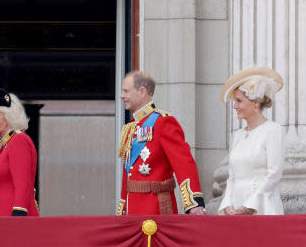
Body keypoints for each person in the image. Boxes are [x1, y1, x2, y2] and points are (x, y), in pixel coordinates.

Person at [116, 71, 206, 215]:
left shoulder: (163, 122)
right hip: (132, 210)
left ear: (142, 91)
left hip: (156, 207)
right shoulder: (131, 127)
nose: (122, 96)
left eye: (126, 91)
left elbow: (184, 163)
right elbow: (129, 175)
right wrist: (123, 209)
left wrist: (193, 203)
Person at [218, 67, 284, 215]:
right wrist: (227, 203)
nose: (235, 106)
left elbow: (274, 174)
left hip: (262, 207)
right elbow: (232, 177)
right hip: (236, 208)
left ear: (255, 104)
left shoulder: (273, 130)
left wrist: (250, 205)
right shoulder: (238, 135)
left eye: (239, 101)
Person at [0, 89, 39, 217]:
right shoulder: (7, 145)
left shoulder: (18, 140)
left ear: (10, 116)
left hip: (12, 223)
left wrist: (18, 216)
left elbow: (22, 183)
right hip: (0, 221)